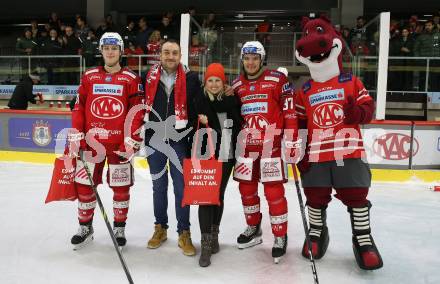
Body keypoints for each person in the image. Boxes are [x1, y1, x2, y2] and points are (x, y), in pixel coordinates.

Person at [294, 15, 382, 270]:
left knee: (356, 196)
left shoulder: (351, 81)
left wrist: (360, 113)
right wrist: (300, 151)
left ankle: (363, 238)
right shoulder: (305, 90)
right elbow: (300, 124)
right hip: (317, 156)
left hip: (349, 152)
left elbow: (367, 108)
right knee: (316, 196)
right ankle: (317, 232)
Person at [65, 32, 145, 249]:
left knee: (121, 188)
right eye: (106, 48)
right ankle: (85, 227)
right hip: (91, 144)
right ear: (101, 50)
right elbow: (79, 106)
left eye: (114, 48)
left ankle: (119, 228)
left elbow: (137, 112)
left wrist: (132, 139)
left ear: (121, 51)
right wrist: (76, 133)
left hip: (120, 146)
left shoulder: (131, 78)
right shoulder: (89, 76)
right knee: (84, 186)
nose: (110, 52)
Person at [231, 41, 291, 263]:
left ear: (262, 59)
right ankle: (253, 228)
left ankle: (280, 235)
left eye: (255, 58)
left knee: (274, 193)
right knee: (246, 190)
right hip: (246, 148)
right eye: (246, 58)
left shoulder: (277, 80)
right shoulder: (236, 84)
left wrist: (292, 139)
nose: (250, 62)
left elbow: (290, 112)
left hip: (270, 148)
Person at [144, 39, 203, 256]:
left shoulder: (191, 78)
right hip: (155, 139)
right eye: (166, 52)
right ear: (160, 55)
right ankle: (160, 228)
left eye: (174, 53)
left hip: (180, 140)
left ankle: (184, 232)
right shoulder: (148, 77)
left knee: (181, 188)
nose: (170, 56)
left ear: (180, 56)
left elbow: (199, 106)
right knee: (159, 187)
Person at [196, 63, 242, 267]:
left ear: (223, 82)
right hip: (204, 152)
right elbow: (192, 124)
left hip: (226, 152)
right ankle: (205, 244)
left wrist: (211, 122)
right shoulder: (199, 99)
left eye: (218, 80)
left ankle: (215, 235)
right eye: (210, 81)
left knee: (218, 196)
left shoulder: (232, 99)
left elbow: (233, 126)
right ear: (205, 82)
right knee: (206, 198)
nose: (214, 84)